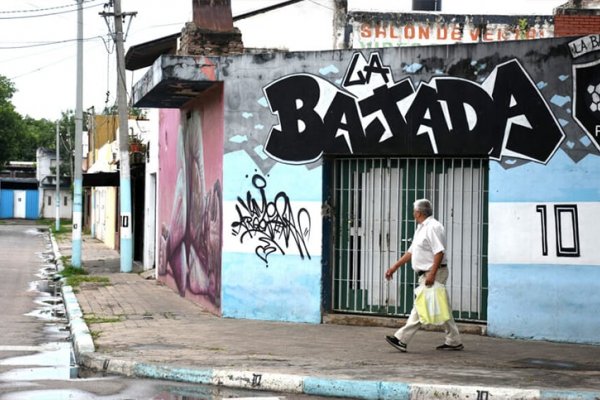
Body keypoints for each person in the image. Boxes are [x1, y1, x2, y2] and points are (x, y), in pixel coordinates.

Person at [384, 198, 463, 352]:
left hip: (434, 273)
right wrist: (394, 267)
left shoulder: (433, 227)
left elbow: (439, 252)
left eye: (414, 211)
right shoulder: (421, 228)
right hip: (427, 273)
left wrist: (432, 274)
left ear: (418, 212)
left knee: (421, 306)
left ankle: (401, 338)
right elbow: (411, 252)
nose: (413, 213)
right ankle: (454, 340)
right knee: (441, 305)